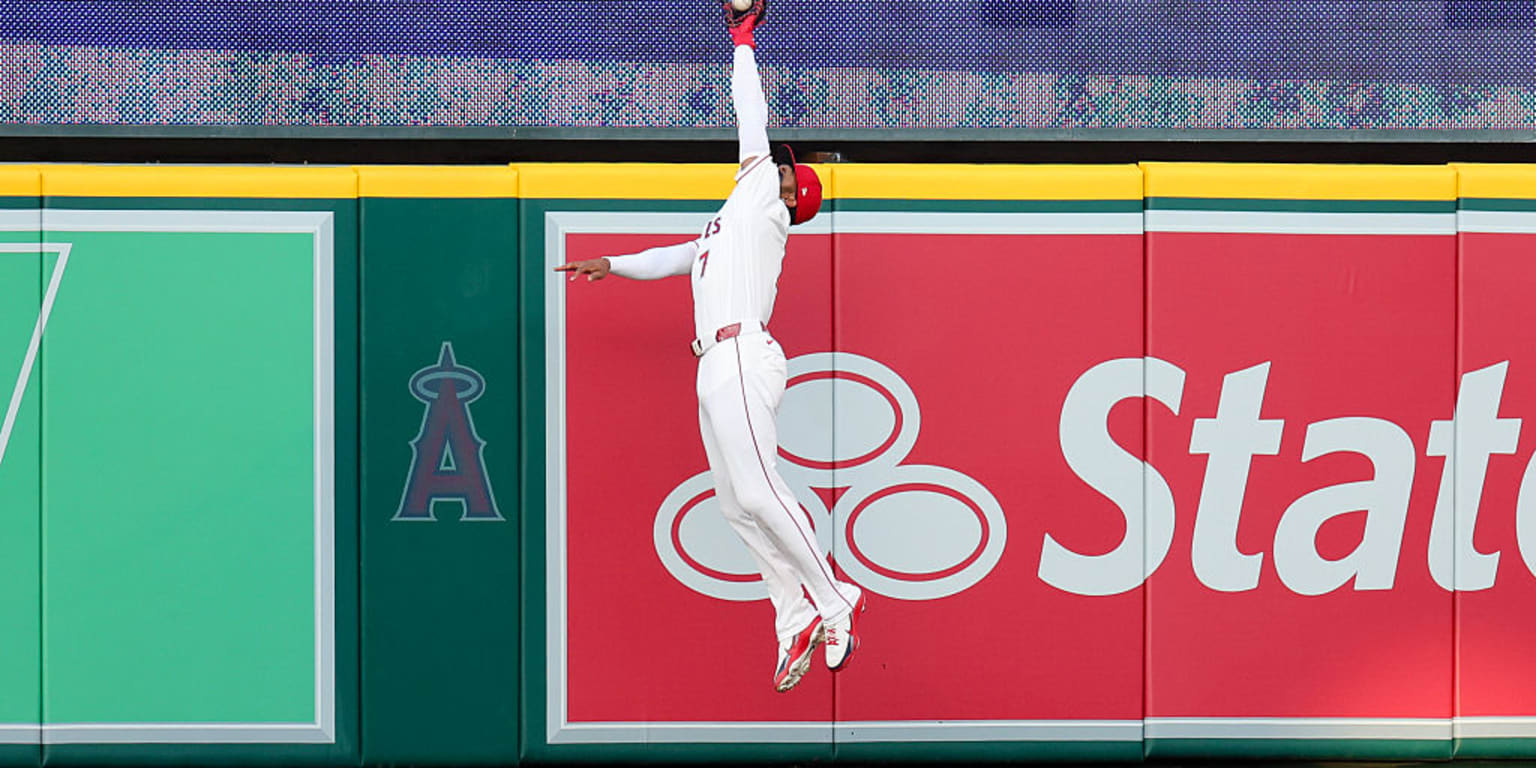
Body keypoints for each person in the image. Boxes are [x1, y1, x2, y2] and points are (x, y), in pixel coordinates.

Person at [553, 0, 865, 694]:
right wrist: (616, 264)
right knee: (735, 504)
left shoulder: (764, 203)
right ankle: (793, 618)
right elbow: (676, 255)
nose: (773, 162)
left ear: (788, 194)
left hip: (745, 356)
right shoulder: (730, 224)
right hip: (713, 366)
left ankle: (835, 596)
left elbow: (748, 114)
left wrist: (744, 39)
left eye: (784, 170)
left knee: (758, 488)